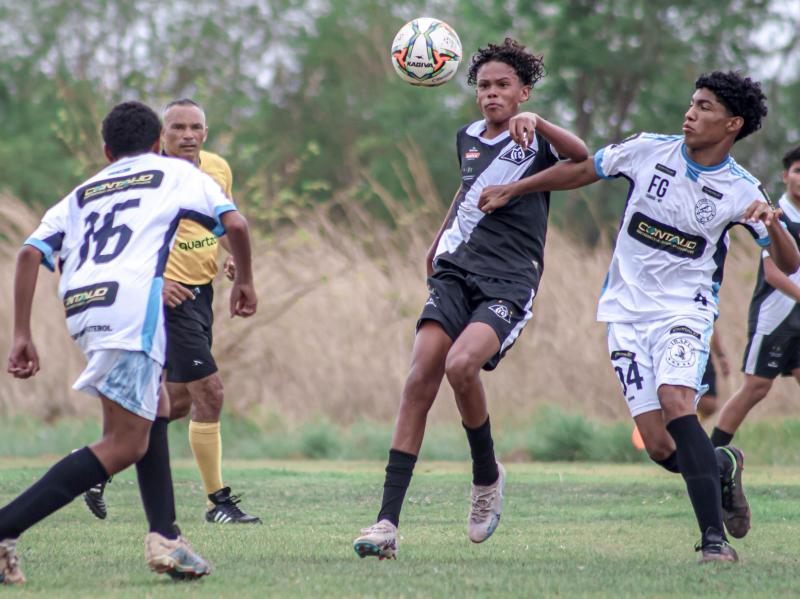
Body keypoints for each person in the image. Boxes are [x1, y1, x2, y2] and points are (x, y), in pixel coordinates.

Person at [478, 71, 800, 563]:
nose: (691, 112)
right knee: (656, 445)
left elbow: (790, 262)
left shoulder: (741, 190)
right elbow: (583, 170)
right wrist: (513, 188)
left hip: (684, 312)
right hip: (625, 314)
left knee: (678, 401)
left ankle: (713, 542)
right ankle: (723, 468)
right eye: (692, 102)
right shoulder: (649, 149)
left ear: (733, 123)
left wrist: (772, 226)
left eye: (706, 107)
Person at [2, 101, 257, 584]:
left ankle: (166, 536)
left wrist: (21, 335)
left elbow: (29, 253)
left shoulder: (82, 192)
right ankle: (4, 528)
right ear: (158, 142)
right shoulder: (175, 174)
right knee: (123, 444)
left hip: (82, 305)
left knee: (157, 404)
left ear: (106, 150)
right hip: (132, 307)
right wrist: (245, 280)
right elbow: (237, 225)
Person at [352, 38, 588, 560]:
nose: (492, 93)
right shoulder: (468, 137)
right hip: (457, 270)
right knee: (420, 377)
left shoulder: (534, 137)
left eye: (503, 85)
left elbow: (584, 161)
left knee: (463, 366)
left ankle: (486, 476)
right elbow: (466, 191)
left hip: (509, 279)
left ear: (523, 92)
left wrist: (539, 131)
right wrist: (437, 241)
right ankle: (386, 523)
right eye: (483, 85)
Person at [84, 98, 261, 524]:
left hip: (201, 296)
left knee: (174, 402)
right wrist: (156, 283)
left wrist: (232, 257)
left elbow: (221, 221)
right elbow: (119, 241)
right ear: (160, 136)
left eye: (195, 127)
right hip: (165, 300)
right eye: (177, 127)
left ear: (205, 132)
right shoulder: (145, 177)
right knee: (211, 393)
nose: (187, 135)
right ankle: (217, 502)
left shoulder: (216, 168)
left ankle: (95, 465)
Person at [711, 146, 800, 448]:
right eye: (797, 171)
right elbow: (775, 273)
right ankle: (710, 456)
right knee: (756, 388)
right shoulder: (776, 216)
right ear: (785, 176)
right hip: (775, 317)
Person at [631, 324, 729, 449]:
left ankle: (678, 430)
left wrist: (720, 355)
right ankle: (670, 430)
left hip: (700, 345)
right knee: (676, 398)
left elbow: (712, 322)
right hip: (675, 341)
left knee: (709, 404)